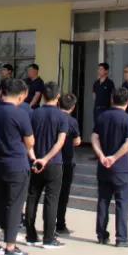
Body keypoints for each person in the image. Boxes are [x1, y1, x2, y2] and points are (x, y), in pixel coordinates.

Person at [0, 78, 35, 255]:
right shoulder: (21, 113)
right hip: (16, 164)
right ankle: (10, 247)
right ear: (21, 96)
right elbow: (30, 141)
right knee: (14, 204)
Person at [24, 83, 68, 249]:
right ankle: (48, 238)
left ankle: (31, 235)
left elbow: (27, 139)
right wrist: (46, 159)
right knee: (51, 200)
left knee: (32, 197)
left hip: (35, 161)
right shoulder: (62, 116)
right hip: (54, 163)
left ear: (42, 96)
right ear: (58, 97)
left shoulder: (34, 113)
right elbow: (60, 142)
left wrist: (34, 158)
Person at [92, 87, 128, 248]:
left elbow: (94, 137)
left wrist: (102, 156)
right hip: (121, 168)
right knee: (122, 203)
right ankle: (121, 238)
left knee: (103, 201)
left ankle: (101, 235)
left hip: (104, 167)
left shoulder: (102, 116)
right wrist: (114, 157)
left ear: (112, 99)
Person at [55, 93, 82, 237]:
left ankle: (46, 223)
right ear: (73, 107)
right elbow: (77, 141)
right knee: (63, 193)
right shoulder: (72, 121)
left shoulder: (53, 117)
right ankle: (60, 224)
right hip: (66, 160)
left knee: (51, 194)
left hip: (51, 160)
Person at [92, 62, 115, 129]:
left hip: (106, 109)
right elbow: (94, 96)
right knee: (97, 127)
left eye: (101, 69)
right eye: (98, 69)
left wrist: (112, 108)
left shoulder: (110, 83)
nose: (99, 71)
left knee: (105, 127)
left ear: (106, 71)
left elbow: (112, 97)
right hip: (97, 109)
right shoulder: (96, 83)